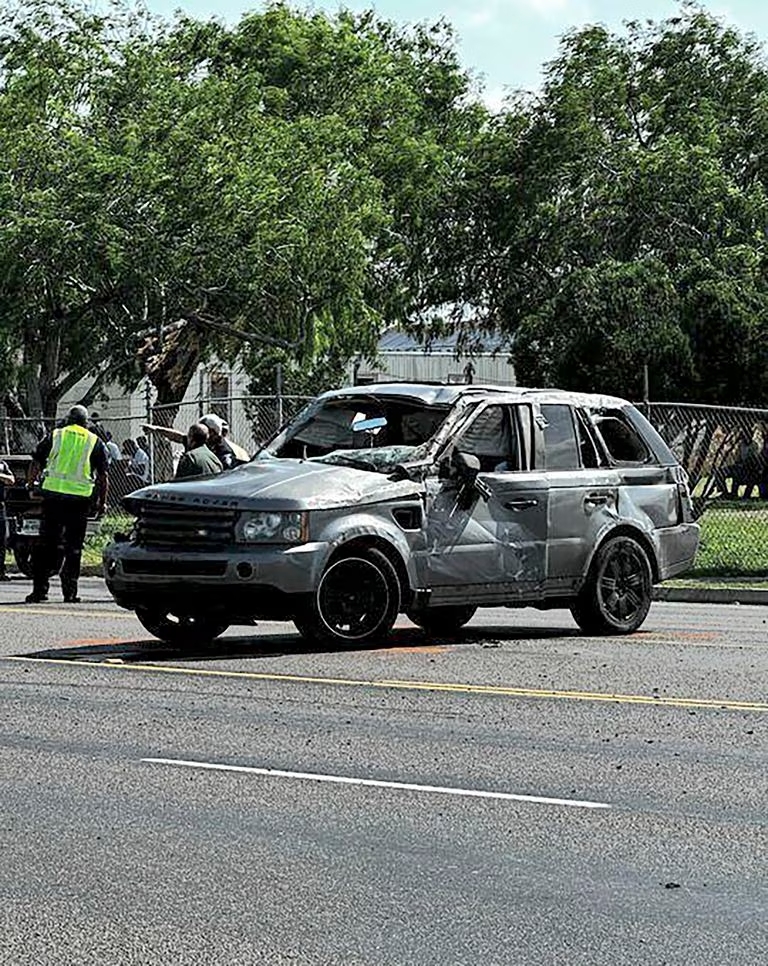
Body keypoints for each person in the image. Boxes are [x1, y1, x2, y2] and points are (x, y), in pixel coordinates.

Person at [26, 404, 108, 604]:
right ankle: (70, 592)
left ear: (68, 419)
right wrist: (102, 503)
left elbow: (36, 461)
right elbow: (103, 476)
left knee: (46, 544)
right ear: (85, 422)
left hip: (53, 498)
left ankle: (40, 591)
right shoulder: (94, 441)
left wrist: (30, 485)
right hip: (79, 502)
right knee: (74, 547)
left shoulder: (55, 435)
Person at [0, 458, 15, 581]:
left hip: (0, 505)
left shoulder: (2, 464)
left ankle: (0, 571)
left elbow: (11, 480)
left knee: (2, 539)